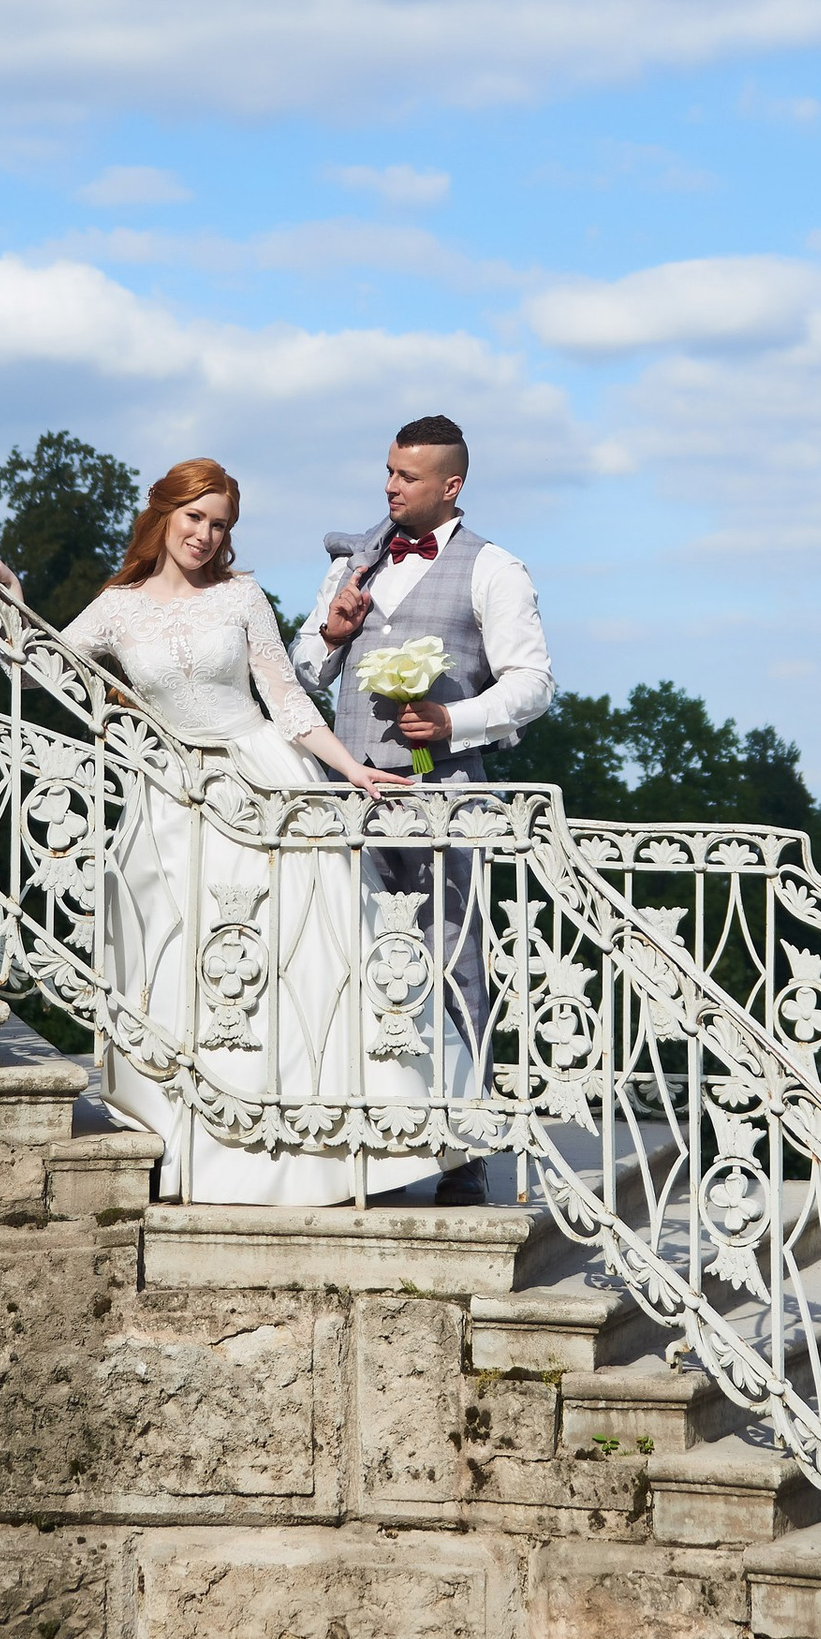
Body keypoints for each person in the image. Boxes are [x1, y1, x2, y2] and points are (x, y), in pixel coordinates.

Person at [0, 457, 424, 1205]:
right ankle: (191, 1145)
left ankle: (318, 1145)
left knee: (292, 958)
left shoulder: (240, 596)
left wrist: (351, 770)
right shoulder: (117, 605)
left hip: (261, 780)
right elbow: (36, 674)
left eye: (221, 524)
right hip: (170, 795)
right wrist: (15, 599)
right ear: (164, 513)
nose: (206, 535)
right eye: (195, 516)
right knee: (171, 961)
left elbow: (287, 702)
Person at [293, 415, 554, 1203]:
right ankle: (369, 1147)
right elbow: (300, 670)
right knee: (347, 958)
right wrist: (331, 637)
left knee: (454, 962)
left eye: (406, 476)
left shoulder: (494, 568)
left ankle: (461, 1149)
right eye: (387, 471)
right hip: (347, 797)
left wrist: (454, 720)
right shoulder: (353, 560)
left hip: (445, 801)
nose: (389, 486)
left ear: (451, 485)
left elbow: (534, 683)